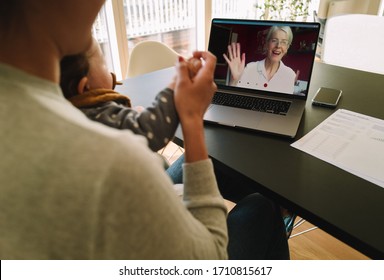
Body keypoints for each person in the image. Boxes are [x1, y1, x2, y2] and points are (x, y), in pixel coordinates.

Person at [0, 0, 289, 259]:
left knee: (214, 165)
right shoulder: (111, 156)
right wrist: (190, 119)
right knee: (262, 206)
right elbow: (208, 259)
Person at [60, 38, 179, 152]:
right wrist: (174, 88)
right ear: (85, 87)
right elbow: (153, 130)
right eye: (105, 66)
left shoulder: (68, 112)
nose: (110, 71)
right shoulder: (99, 114)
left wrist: (132, 116)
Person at [223, 26, 296, 94]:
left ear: (287, 48)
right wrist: (234, 80)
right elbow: (234, 98)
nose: (278, 46)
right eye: (274, 40)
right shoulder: (250, 68)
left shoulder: (290, 75)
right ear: (267, 43)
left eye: (284, 42)